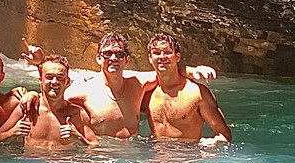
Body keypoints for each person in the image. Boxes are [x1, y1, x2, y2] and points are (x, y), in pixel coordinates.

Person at [20, 33, 217, 138]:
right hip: (100, 159)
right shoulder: (84, 91)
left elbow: (164, 68)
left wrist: (191, 70)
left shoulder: (138, 84)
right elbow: (52, 95)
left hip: (133, 158)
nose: (113, 58)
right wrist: (33, 93)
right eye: (107, 54)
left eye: (119, 54)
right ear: (98, 58)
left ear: (127, 60)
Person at [144, 33, 231, 146]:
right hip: (155, 159)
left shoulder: (198, 93)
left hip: (186, 158)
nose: (162, 57)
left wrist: (212, 143)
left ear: (177, 57)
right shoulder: (147, 93)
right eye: (156, 53)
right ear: (150, 58)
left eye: (168, 52)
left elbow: (225, 135)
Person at [0, 55, 97, 150]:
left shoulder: (75, 113)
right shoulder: (27, 108)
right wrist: (12, 133)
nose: (54, 82)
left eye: (60, 77)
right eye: (49, 77)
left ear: (67, 82)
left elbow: (94, 145)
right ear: (40, 81)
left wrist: (79, 138)